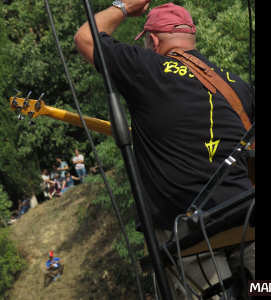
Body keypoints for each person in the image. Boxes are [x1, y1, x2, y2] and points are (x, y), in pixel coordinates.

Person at [74, 2, 254, 299]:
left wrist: (124, 6)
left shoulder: (146, 67)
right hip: (247, 215)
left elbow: (86, 37)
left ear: (152, 40)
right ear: (191, 37)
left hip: (190, 234)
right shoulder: (235, 84)